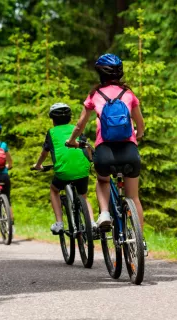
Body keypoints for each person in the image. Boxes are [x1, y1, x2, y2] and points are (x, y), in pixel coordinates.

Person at [65, 53, 145, 233]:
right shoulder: (129, 93)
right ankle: (141, 241)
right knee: (134, 197)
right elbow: (140, 125)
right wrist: (137, 135)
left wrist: (71, 140)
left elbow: (80, 125)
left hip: (105, 152)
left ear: (100, 73)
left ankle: (105, 214)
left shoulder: (94, 95)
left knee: (103, 180)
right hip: (129, 151)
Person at [33, 103, 95, 234]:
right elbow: (86, 147)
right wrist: (91, 160)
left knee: (54, 189)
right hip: (83, 169)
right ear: (69, 117)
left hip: (63, 171)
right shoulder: (76, 129)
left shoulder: (51, 132)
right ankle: (92, 223)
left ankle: (59, 223)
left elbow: (44, 153)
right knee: (83, 196)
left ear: (53, 120)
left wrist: (38, 165)